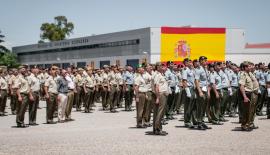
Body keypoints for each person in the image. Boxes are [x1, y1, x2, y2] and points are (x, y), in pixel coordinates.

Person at [239, 61, 257, 131]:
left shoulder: (249, 74)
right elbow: (241, 86)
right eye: (249, 66)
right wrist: (244, 97)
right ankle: (244, 125)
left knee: (250, 110)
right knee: (246, 111)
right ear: (245, 67)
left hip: (251, 93)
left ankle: (248, 124)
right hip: (247, 94)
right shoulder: (243, 74)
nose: (250, 67)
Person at [195, 56, 212, 129]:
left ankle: (202, 121)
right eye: (204, 60)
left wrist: (208, 92)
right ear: (201, 61)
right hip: (201, 89)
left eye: (206, 60)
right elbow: (196, 81)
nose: (206, 61)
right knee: (200, 106)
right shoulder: (198, 69)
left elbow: (207, 81)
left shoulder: (205, 69)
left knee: (204, 106)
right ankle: (199, 122)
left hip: (205, 89)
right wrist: (200, 91)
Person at [153, 62, 168, 136]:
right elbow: (156, 87)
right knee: (159, 112)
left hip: (164, 94)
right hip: (161, 94)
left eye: (162, 66)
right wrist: (158, 97)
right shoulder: (157, 75)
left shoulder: (162, 75)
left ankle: (159, 128)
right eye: (160, 66)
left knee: (161, 112)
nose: (162, 67)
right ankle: (157, 129)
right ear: (157, 67)